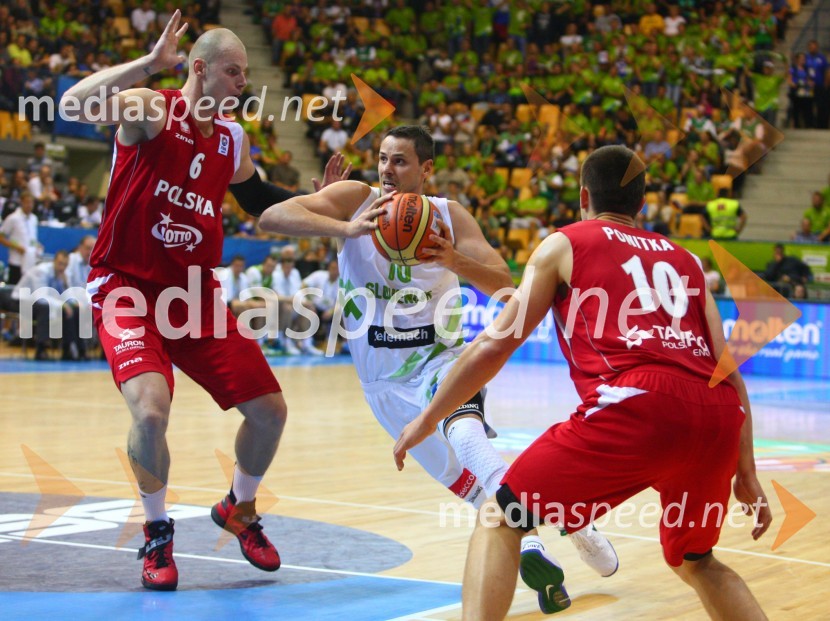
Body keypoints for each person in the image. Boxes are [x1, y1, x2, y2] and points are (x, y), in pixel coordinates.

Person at [394, 145, 772, 619]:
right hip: (717, 418)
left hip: (638, 402)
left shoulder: (565, 243)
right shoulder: (689, 261)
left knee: (501, 517)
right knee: (698, 561)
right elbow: (729, 372)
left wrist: (428, 419)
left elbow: (495, 344)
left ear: (583, 195)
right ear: (642, 202)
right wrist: (748, 472)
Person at [260, 126, 618, 613]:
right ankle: (567, 519)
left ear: (426, 169)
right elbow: (271, 216)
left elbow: (503, 284)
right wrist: (342, 227)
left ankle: (530, 542)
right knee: (470, 485)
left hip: (441, 360)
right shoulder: (355, 200)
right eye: (383, 159)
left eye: (400, 161)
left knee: (464, 428)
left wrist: (453, 259)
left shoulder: (450, 216)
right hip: (381, 384)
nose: (387, 169)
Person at [60, 11, 345, 591]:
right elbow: (72, 106)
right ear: (198, 68)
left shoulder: (233, 140)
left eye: (244, 74)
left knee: (270, 412)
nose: (243, 83)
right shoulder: (150, 108)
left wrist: (319, 206)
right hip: (127, 286)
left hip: (194, 295)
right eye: (234, 72)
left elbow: (259, 202)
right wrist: (146, 64)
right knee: (150, 410)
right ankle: (158, 531)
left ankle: (238, 509)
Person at [13, 250, 85, 361]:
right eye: (60, 263)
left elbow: (67, 296)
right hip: (22, 300)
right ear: (54, 261)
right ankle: (41, 348)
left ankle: (70, 348)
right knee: (45, 308)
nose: (62, 267)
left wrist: (74, 302)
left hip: (45, 303)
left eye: (65, 265)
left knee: (74, 309)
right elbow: (41, 297)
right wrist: (63, 305)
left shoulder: (64, 274)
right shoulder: (41, 271)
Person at [0, 192, 41, 284]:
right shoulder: (13, 218)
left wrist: (37, 245)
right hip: (16, 261)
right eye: (27, 202)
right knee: (14, 290)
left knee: (27, 290)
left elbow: (31, 238)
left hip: (30, 260)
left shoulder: (34, 219)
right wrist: (16, 247)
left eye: (31, 203)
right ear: (21, 202)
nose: (29, 205)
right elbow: (1, 237)